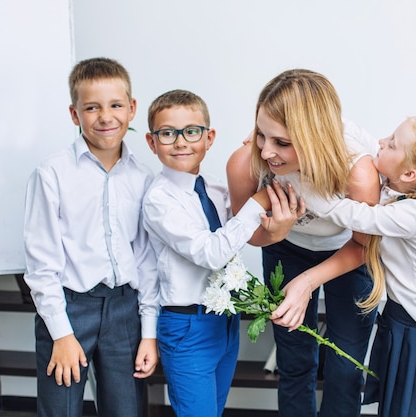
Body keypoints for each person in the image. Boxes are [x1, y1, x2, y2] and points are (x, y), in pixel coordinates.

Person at [275, 116, 416, 416]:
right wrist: (294, 127)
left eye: (392, 143)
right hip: (406, 319)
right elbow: (356, 132)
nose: (381, 142)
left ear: (409, 173)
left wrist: (291, 177)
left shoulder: (412, 214)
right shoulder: (400, 193)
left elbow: (349, 214)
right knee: (401, 404)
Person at [226, 69, 380, 417]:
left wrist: (307, 282)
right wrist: (275, 234)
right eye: (261, 135)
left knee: (346, 364)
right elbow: (246, 232)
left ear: (316, 139)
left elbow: (364, 245)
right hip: (284, 250)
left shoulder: (358, 172)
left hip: (348, 253)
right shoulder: (245, 163)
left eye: (282, 142)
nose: (266, 152)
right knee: (294, 359)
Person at [141, 89, 301, 417]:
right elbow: (211, 253)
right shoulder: (159, 200)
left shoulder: (214, 188)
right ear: (152, 142)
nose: (181, 142)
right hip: (187, 326)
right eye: (168, 133)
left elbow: (242, 236)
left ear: (209, 137)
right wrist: (257, 202)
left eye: (192, 131)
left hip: (224, 320)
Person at [23, 57, 159, 417]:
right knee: (60, 409)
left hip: (124, 311)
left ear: (131, 109)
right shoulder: (51, 175)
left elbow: (146, 260)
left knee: (126, 410)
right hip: (70, 309)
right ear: (74, 114)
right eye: (92, 107)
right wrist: (61, 334)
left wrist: (148, 332)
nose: (105, 117)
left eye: (115, 105)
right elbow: (41, 263)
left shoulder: (143, 178)